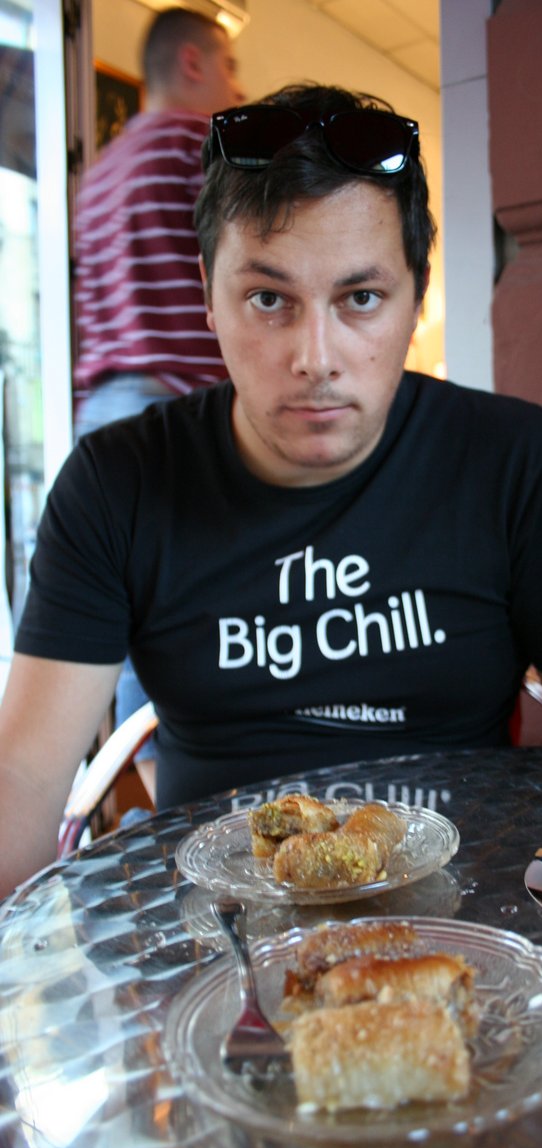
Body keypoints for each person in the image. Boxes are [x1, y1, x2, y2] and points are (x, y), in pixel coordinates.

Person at [0, 82, 542, 897]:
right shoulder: (118, 484)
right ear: (209, 296)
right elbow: (24, 776)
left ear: (416, 295)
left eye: (360, 298)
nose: (315, 358)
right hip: (217, 936)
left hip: (458, 920)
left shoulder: (514, 460)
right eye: (269, 300)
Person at [72, 8, 245, 794]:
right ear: (194, 62)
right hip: (175, 404)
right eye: (230, 67)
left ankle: (144, 804)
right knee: (201, 611)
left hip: (103, 413)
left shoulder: (98, 174)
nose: (236, 88)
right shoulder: (191, 143)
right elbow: (239, 259)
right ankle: (197, 803)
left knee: (134, 622)